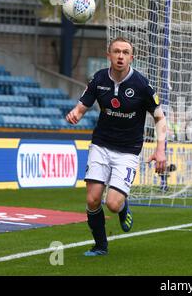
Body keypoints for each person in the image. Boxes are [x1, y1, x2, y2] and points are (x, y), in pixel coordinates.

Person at [66, 37, 167, 256]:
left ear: (132, 57)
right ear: (108, 55)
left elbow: (160, 117)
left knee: (112, 203)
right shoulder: (99, 79)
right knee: (93, 199)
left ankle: (123, 207)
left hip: (128, 151)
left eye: (125, 52)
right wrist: (76, 113)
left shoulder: (142, 85)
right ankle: (100, 245)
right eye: (116, 51)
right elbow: (83, 105)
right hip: (101, 145)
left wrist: (160, 149)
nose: (120, 56)